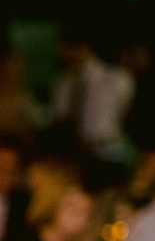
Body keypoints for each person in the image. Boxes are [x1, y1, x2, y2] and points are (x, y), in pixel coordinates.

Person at [49, 39, 135, 167]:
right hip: (75, 157)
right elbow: (62, 118)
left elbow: (125, 113)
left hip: (110, 153)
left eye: (73, 50)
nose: (69, 56)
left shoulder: (116, 78)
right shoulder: (63, 84)